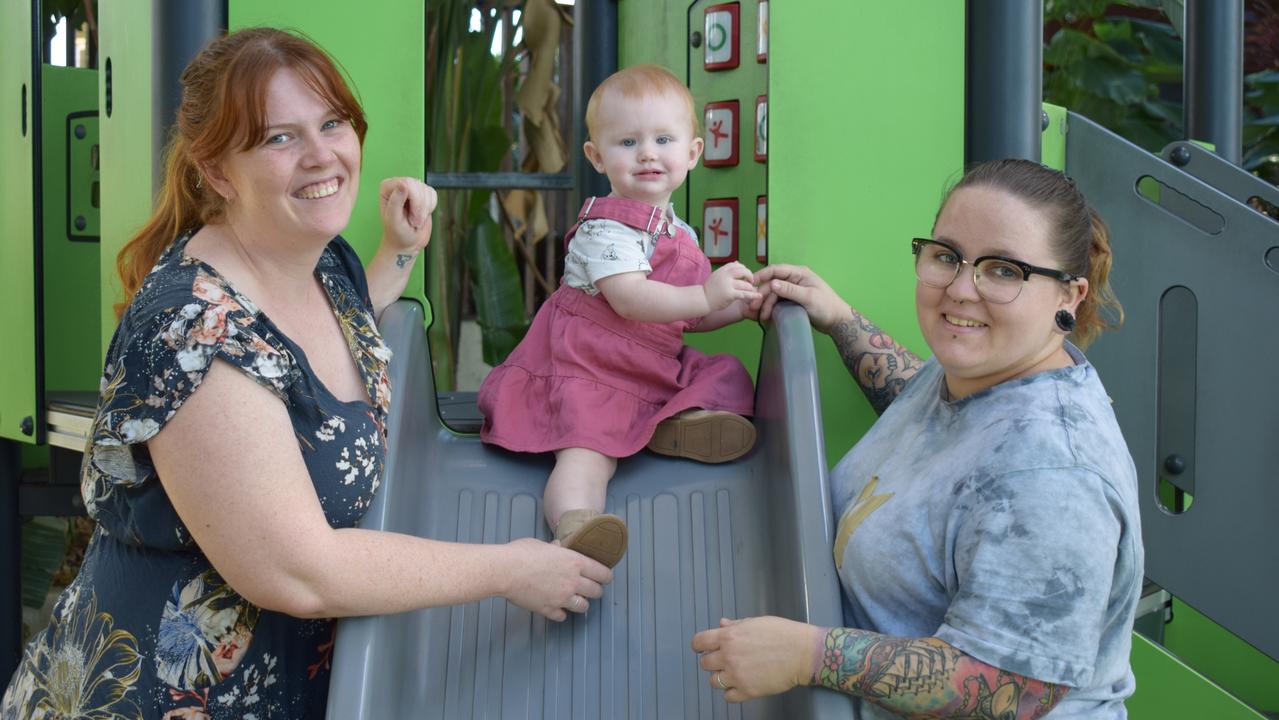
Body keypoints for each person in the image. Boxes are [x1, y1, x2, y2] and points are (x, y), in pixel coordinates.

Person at [1, 28, 609, 719]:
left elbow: (341, 331)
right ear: (218, 170)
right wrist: (512, 568)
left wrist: (401, 251)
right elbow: (299, 570)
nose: (322, 156)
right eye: (277, 139)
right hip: (162, 697)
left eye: (331, 124)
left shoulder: (319, 259)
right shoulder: (195, 332)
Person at [692, 158, 1144, 719]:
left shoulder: (1052, 476)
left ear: (1068, 297)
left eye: (1003, 270)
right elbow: (934, 420)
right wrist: (840, 321)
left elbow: (1012, 689)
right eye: (947, 256)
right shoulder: (983, 373)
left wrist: (808, 654)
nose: (960, 289)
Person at [477, 65, 760, 570]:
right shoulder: (604, 228)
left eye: (663, 139)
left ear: (692, 153)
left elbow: (685, 319)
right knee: (588, 454)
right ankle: (576, 523)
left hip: (650, 365)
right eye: (628, 141)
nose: (647, 153)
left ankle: (672, 424)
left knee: (722, 375)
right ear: (597, 156)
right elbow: (632, 299)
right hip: (590, 369)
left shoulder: (683, 235)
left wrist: (737, 307)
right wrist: (706, 293)